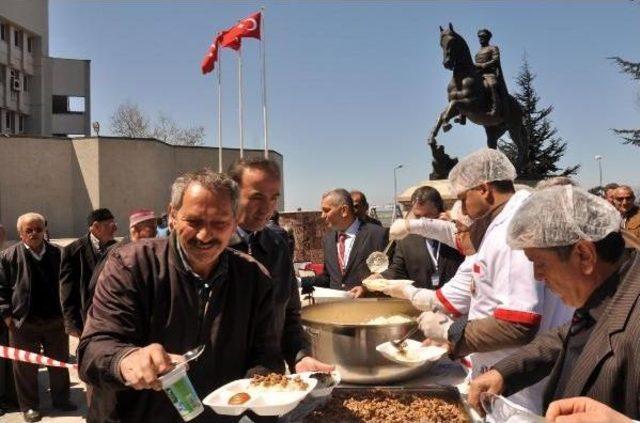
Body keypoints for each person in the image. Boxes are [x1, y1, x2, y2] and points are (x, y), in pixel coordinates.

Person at [78, 169, 284, 422]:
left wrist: (253, 407)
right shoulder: (130, 265)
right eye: (194, 222)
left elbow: (266, 357)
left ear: (234, 222)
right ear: (173, 215)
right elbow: (93, 350)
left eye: (219, 223)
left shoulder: (253, 277)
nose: (205, 235)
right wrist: (127, 360)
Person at [388, 149, 572, 413]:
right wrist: (413, 227)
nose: (462, 209)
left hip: (520, 387)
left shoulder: (513, 227)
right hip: (505, 374)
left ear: (484, 189)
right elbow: (457, 236)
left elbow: (518, 325)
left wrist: (450, 332)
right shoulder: (503, 220)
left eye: (464, 198)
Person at [468, 185, 640, 419]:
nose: (538, 276)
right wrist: (504, 373)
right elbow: (571, 335)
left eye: (540, 263)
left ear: (584, 255)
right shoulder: (607, 293)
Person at [228, 158, 333, 373]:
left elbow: (290, 315)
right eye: (257, 197)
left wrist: (300, 357)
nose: (267, 208)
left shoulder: (276, 245)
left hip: (269, 383)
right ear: (232, 195)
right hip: (221, 391)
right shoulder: (210, 248)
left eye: (273, 198)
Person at [0, 213, 76, 422]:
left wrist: (69, 316)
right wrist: (7, 316)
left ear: (45, 230)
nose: (34, 233)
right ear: (21, 234)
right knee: (24, 368)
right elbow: (1, 289)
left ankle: (62, 400)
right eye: (29, 230)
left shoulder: (59, 254)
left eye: (38, 229)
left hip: (55, 321)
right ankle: (30, 407)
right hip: (23, 322)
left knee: (59, 363)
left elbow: (70, 286)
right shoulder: (8, 256)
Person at [373, 186, 464, 289]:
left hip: (454, 301)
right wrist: (378, 278)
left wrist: (453, 229)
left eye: (427, 216)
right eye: (417, 217)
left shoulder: (458, 235)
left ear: (440, 212)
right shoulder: (406, 240)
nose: (421, 222)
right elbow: (397, 271)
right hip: (421, 302)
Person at [301, 189, 387, 294]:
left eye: (327, 210)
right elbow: (328, 278)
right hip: (337, 308)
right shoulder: (328, 240)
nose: (322, 216)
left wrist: (366, 289)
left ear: (344, 211)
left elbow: (391, 273)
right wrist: (300, 282)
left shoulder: (377, 235)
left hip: (367, 307)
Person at [59, 208, 117, 338]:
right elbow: (67, 290)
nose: (115, 228)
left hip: (112, 317)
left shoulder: (118, 249)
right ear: (95, 227)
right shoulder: (73, 251)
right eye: (110, 225)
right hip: (86, 319)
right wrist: (71, 324)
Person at [474, 28, 505, 117]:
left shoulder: (493, 48)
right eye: (479, 37)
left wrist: (484, 65)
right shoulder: (478, 52)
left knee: (492, 84)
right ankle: (462, 114)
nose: (481, 39)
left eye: (483, 37)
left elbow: (495, 60)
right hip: (478, 74)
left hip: (489, 74)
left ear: (488, 38)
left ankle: (496, 108)